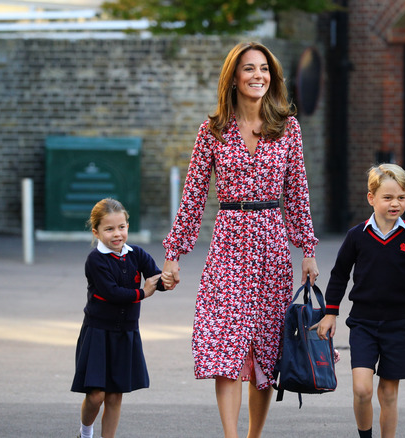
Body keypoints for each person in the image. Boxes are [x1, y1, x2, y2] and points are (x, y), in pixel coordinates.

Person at [161, 41, 319, 438]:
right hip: (229, 243)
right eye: (249, 69)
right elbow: (194, 195)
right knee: (226, 345)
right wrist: (174, 254)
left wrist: (308, 250)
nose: (258, 76)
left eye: (264, 69)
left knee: (266, 350)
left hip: (271, 244)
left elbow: (297, 192)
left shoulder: (288, 128)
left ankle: (253, 436)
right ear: (234, 77)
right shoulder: (212, 130)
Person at [315, 164, 405, 438]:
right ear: (371, 198)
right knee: (362, 389)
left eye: (401, 198)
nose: (395, 203)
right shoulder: (357, 235)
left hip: (398, 325)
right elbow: (339, 275)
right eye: (388, 197)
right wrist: (330, 313)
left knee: (389, 394)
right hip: (363, 324)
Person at [71, 198, 165, 438]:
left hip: (126, 333)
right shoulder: (95, 260)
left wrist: (168, 278)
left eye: (121, 227)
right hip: (98, 333)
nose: (117, 234)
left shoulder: (137, 254)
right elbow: (112, 293)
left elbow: (156, 277)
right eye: (109, 229)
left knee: (114, 395)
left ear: (127, 226)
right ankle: (85, 432)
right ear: (96, 231)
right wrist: (144, 292)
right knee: (96, 396)